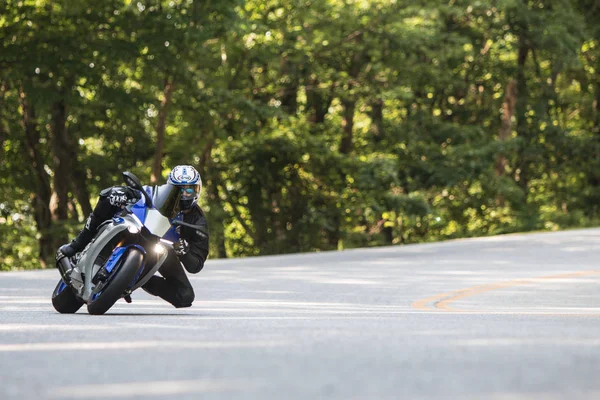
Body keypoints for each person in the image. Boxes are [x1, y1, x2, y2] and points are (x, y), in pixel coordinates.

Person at [59, 165, 209, 308]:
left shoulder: (198, 222)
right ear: (169, 187)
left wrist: (185, 252)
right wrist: (121, 194)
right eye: (178, 190)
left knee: (185, 295)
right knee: (109, 198)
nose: (183, 195)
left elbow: (196, 265)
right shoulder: (153, 194)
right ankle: (78, 244)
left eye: (189, 190)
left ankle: (136, 279)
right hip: (135, 227)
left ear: (197, 191)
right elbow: (134, 193)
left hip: (161, 247)